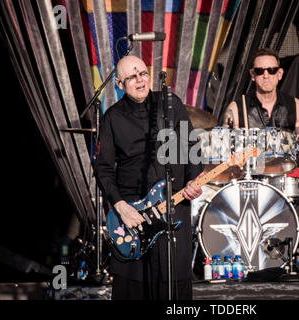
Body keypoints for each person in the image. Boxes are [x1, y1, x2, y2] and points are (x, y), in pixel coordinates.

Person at [95, 55, 203, 300]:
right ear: (120, 85)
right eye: (131, 77)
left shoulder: (171, 104)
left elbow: (192, 148)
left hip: (174, 205)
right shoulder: (113, 117)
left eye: (143, 73)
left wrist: (192, 180)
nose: (140, 80)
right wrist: (121, 207)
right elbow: (103, 168)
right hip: (133, 215)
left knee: (173, 286)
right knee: (135, 288)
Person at [221, 48, 299, 136]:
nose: (266, 76)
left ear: (279, 74)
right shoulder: (235, 108)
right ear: (253, 75)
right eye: (260, 71)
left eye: (272, 70)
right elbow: (225, 145)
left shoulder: (296, 105)